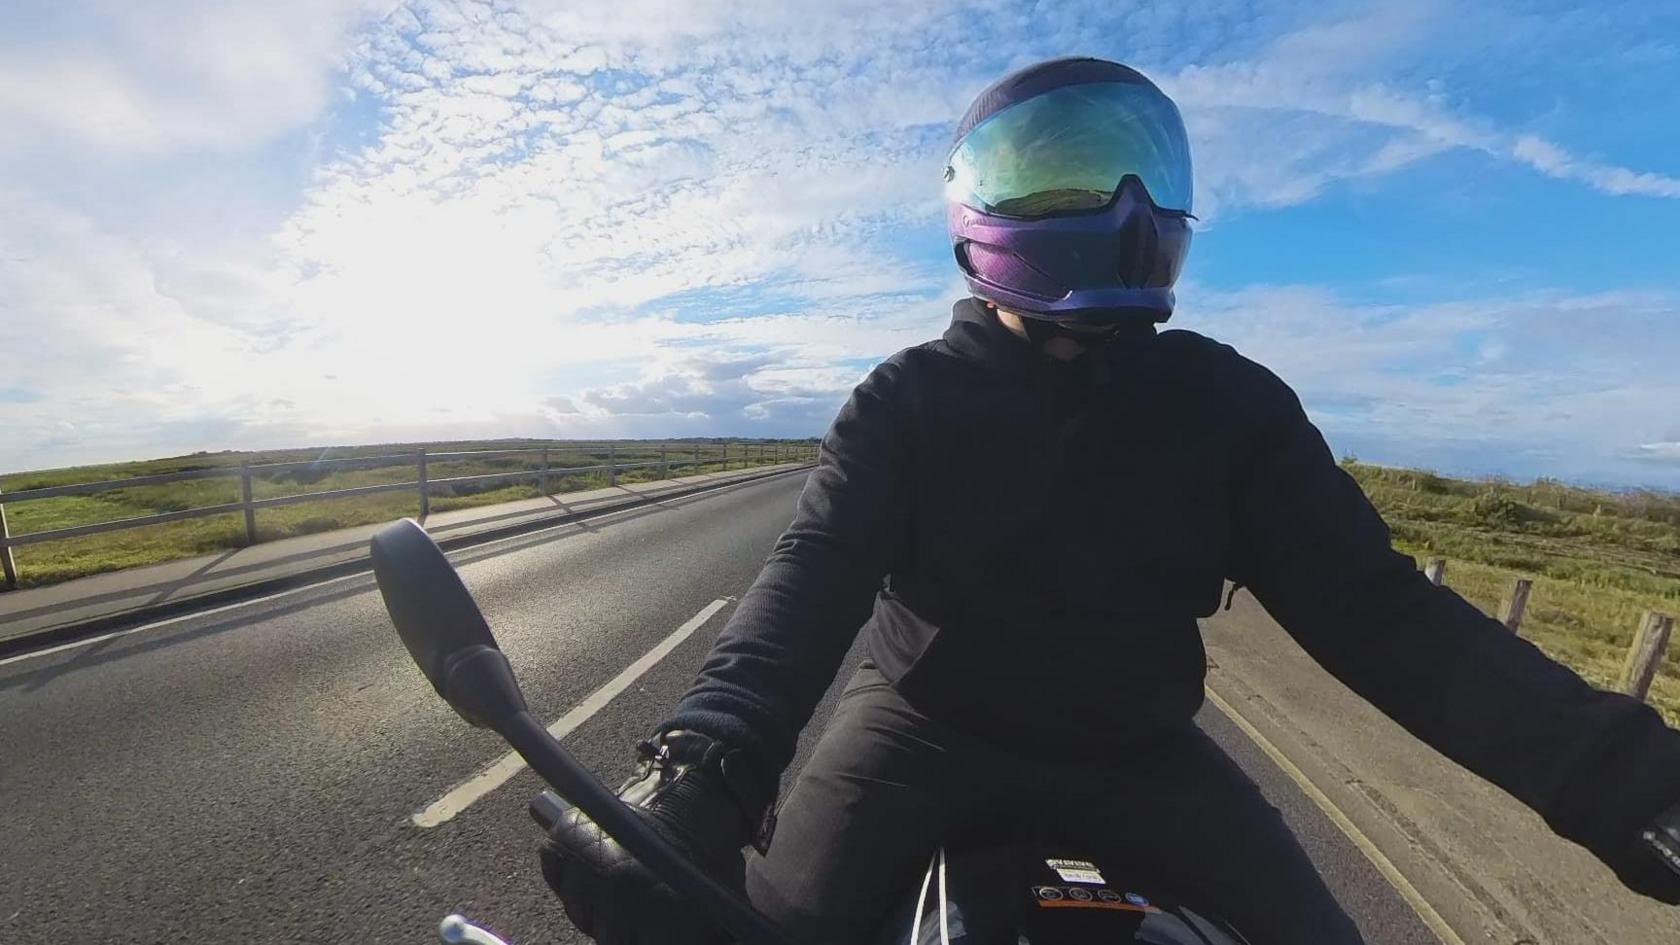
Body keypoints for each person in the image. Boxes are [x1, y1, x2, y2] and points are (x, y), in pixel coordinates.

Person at [540, 57, 1680, 944]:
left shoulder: (1229, 406)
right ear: (979, 213)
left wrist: (1630, 784)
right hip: (922, 735)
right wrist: (704, 766)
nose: (1122, 203)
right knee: (756, 928)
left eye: (1143, 170)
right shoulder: (908, 401)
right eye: (1070, 174)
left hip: (1137, 749)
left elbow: (1380, 615)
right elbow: (810, 575)